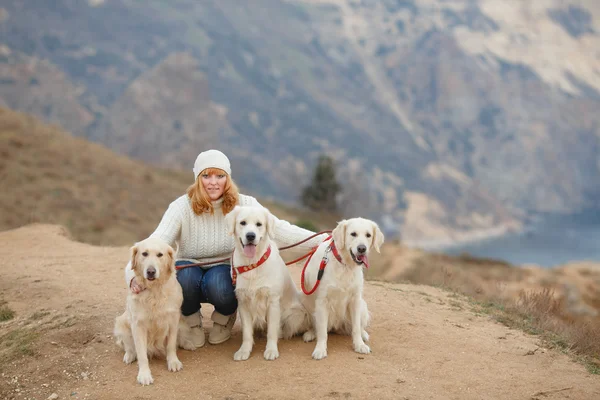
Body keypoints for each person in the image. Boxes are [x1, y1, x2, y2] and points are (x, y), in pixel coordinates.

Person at [124, 149, 327, 347]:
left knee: (220, 285)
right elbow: (155, 241)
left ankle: (224, 319)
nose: (213, 182)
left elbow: (281, 230)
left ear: (227, 178)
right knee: (183, 278)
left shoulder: (245, 204)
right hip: (189, 268)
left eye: (220, 176)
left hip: (224, 270)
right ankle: (192, 323)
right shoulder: (181, 207)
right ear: (197, 178)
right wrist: (133, 276)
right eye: (206, 176)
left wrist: (323, 240)